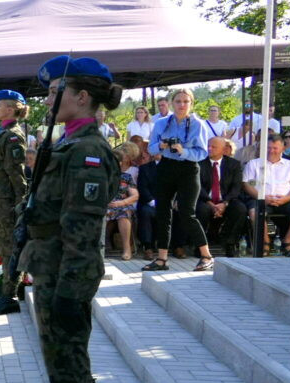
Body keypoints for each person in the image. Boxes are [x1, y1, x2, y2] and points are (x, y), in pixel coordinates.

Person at [17, 56, 121, 383]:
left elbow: (81, 230)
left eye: (55, 92)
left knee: (70, 366)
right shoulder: (68, 143)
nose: (47, 100)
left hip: (67, 273)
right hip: (52, 267)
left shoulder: (89, 151)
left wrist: (69, 292)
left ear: (81, 97)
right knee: (59, 367)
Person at [144, 87, 215, 272]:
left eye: (186, 101)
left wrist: (183, 151)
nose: (182, 105)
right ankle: (162, 259)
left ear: (191, 103)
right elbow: (151, 149)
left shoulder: (198, 124)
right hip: (166, 166)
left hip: (188, 168)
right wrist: (161, 145)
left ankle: (206, 256)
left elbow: (202, 153)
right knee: (162, 212)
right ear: (171, 103)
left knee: (187, 213)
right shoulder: (161, 123)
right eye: (178, 101)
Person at [0, 90, 30, 316]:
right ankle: (12, 290)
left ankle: (9, 295)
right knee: (4, 246)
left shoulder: (12, 135)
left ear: (11, 109)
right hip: (0, 196)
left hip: (8, 199)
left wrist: (21, 202)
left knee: (9, 247)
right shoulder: (2, 132)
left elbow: (16, 172)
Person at [243, 134, 290, 256]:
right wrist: (262, 197)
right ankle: (265, 243)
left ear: (283, 149)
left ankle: (287, 242)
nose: (271, 151)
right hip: (260, 198)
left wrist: (286, 198)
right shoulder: (253, 164)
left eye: (275, 148)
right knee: (254, 213)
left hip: (286, 199)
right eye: (269, 147)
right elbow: (247, 185)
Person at [197, 136, 246, 257]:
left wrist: (224, 203)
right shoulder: (199, 163)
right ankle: (200, 246)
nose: (210, 149)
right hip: (205, 200)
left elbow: (236, 187)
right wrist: (210, 203)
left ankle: (229, 243)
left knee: (240, 209)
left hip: (226, 200)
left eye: (214, 147)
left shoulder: (233, 164)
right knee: (201, 210)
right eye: (208, 146)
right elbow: (197, 186)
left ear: (224, 150)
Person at [105, 143, 140, 261]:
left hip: (121, 205)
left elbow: (135, 196)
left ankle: (127, 249)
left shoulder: (126, 177)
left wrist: (122, 203)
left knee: (124, 214)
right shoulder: (104, 176)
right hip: (105, 205)